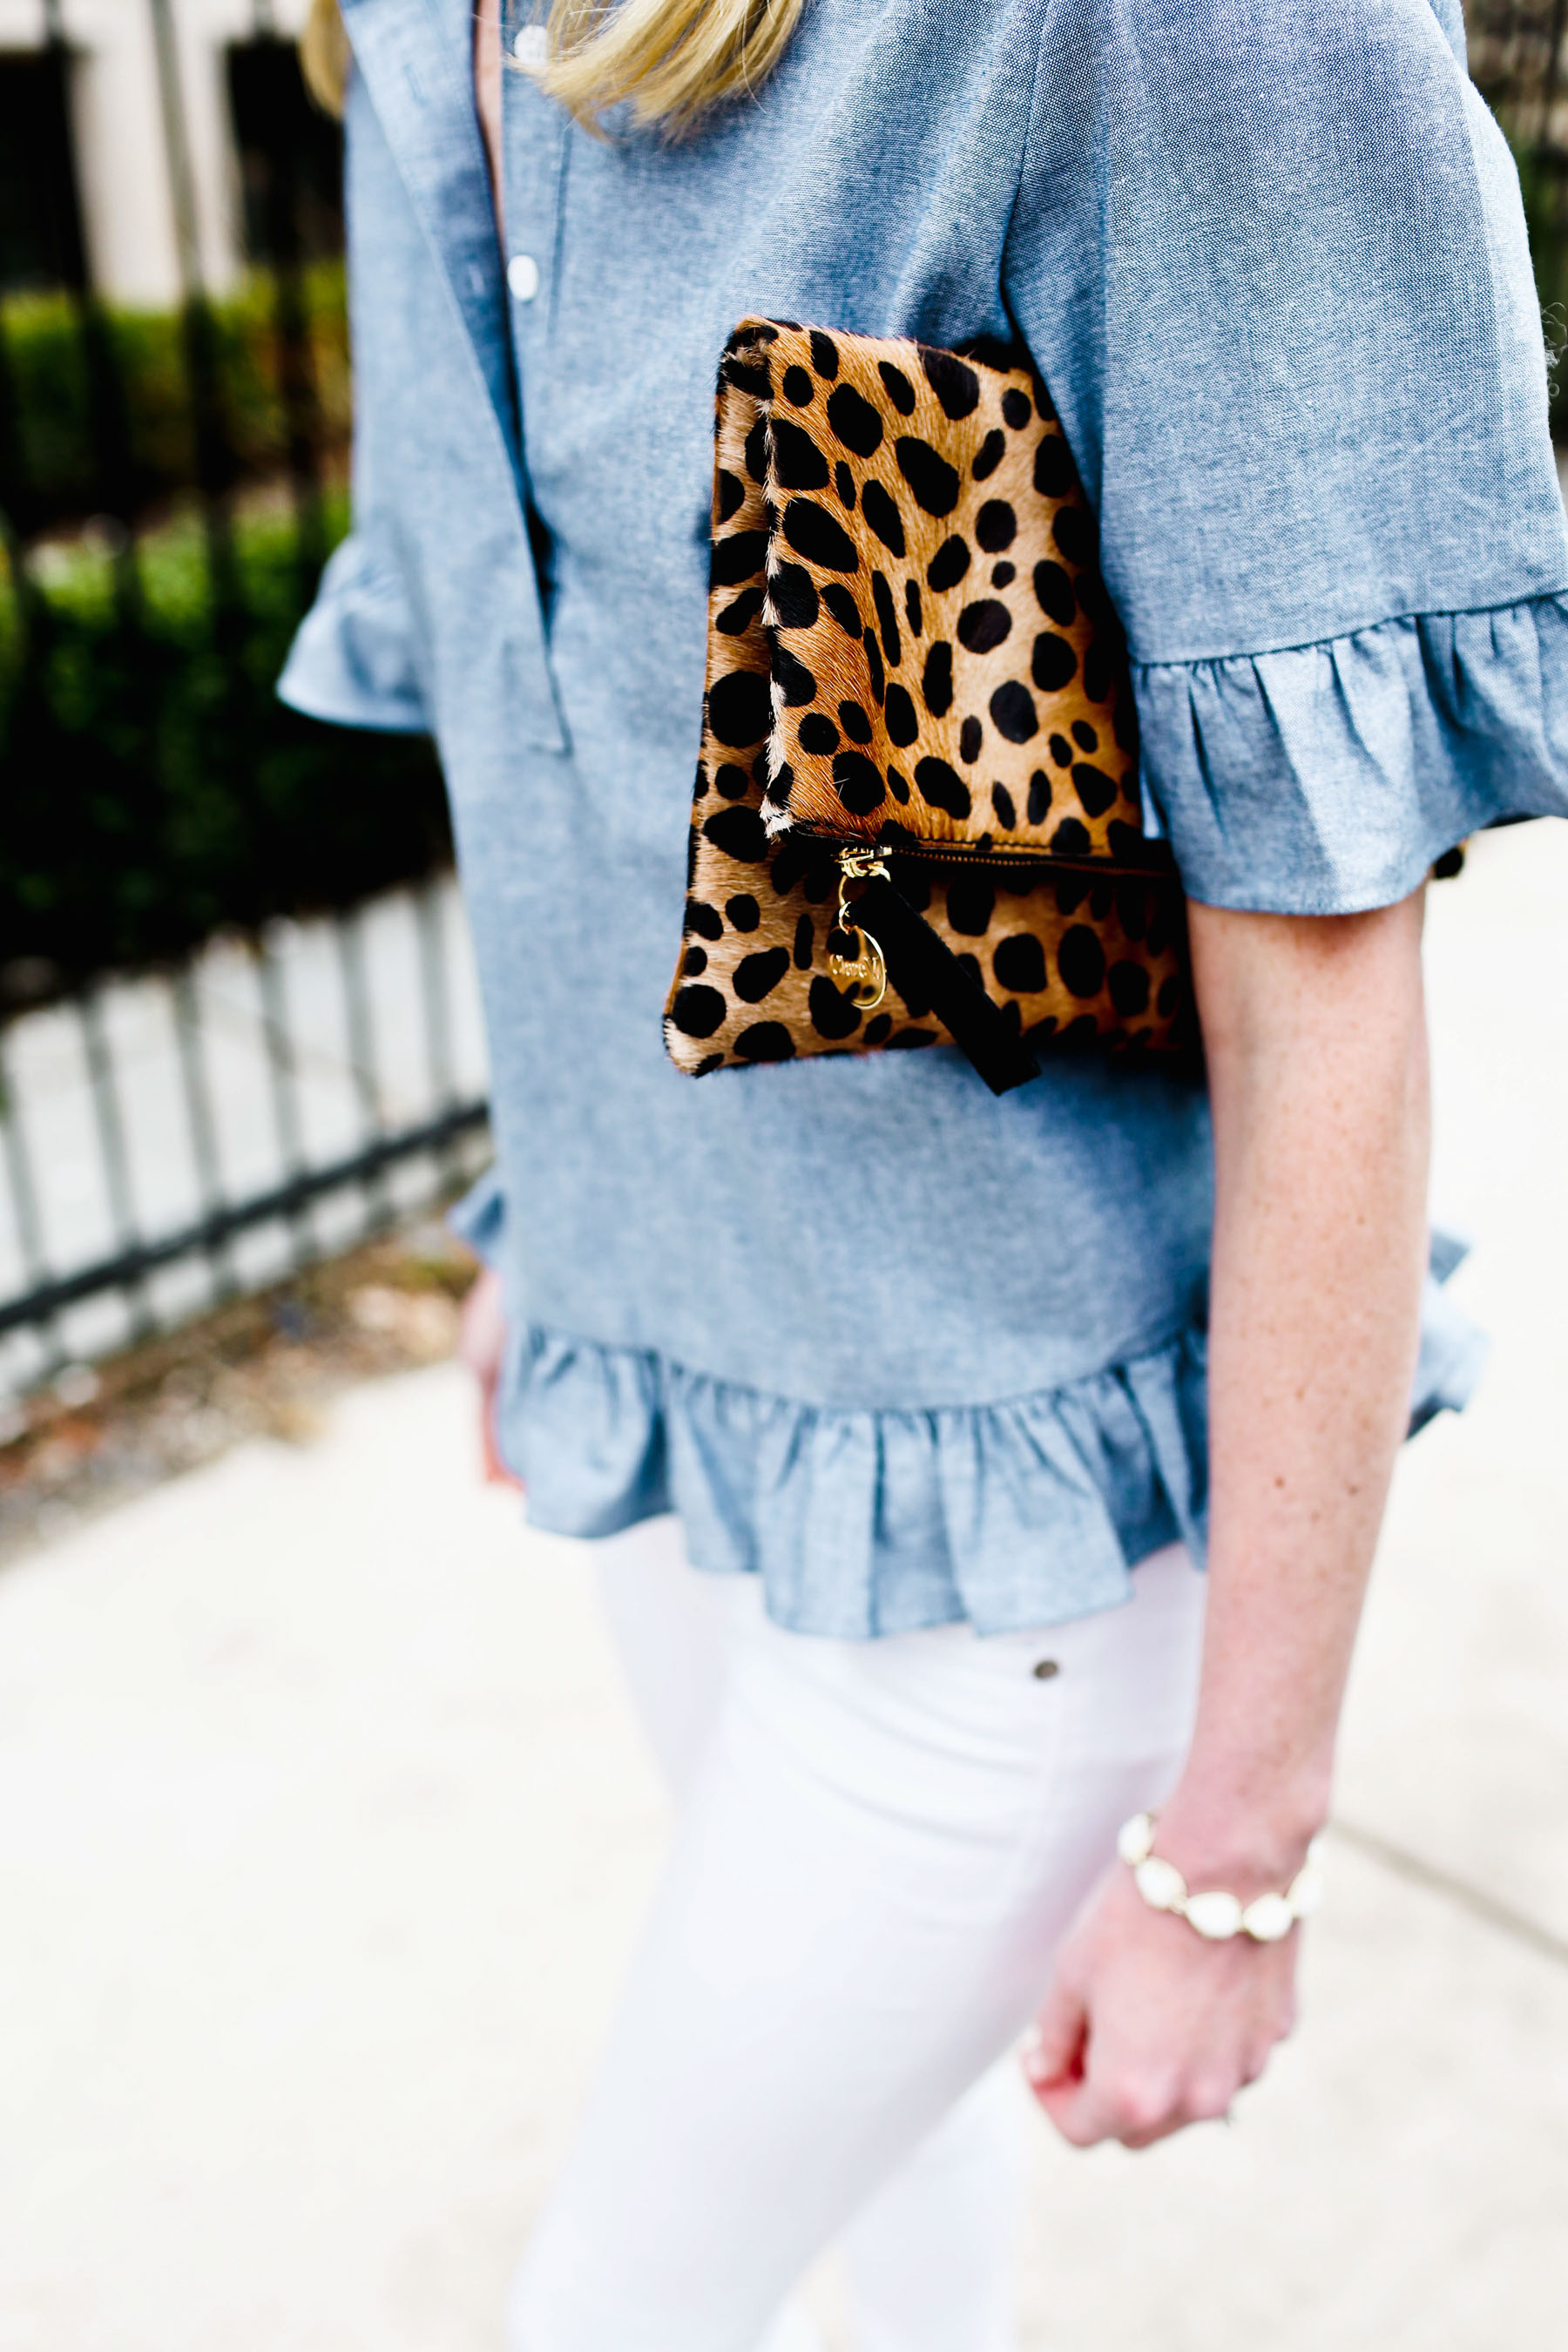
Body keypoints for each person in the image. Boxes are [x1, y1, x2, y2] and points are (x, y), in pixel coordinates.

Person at [285, 3, 1567, 2345]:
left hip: (1026, 1523)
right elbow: (558, 715)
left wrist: (1242, 1848)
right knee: (901, 2161)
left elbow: (1325, 962)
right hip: (685, 1397)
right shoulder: (411, 20)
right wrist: (562, 1226)